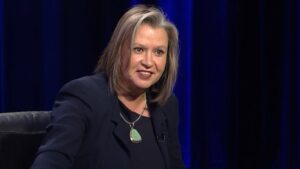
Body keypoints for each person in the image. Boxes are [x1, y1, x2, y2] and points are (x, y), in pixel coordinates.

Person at [31, 4, 186, 169]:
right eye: (139, 49)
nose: (148, 62)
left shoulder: (166, 105)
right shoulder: (84, 96)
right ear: (119, 51)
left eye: (158, 52)